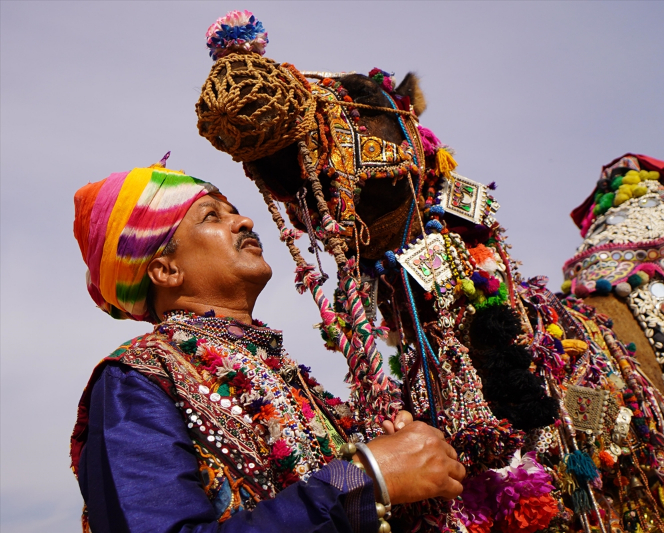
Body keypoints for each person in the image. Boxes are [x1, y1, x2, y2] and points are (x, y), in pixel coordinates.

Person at [70, 159, 466, 533]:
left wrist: (405, 460)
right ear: (166, 270)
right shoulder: (135, 378)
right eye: (211, 216)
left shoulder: (285, 373)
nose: (244, 221)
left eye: (233, 211)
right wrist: (368, 475)